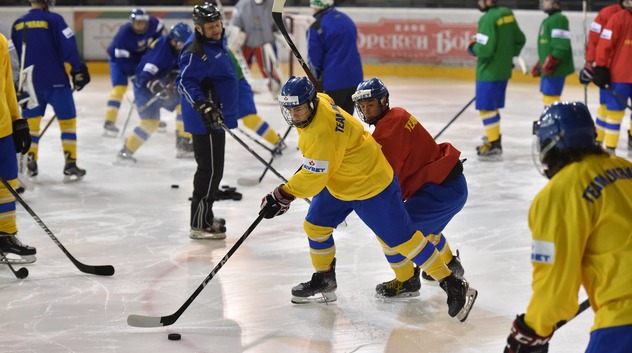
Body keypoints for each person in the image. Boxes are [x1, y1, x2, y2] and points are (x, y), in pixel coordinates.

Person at [260, 76, 477, 322]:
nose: (295, 116)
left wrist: (283, 195)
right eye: (290, 110)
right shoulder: (321, 100)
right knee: (315, 225)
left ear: (310, 104)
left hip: (371, 185)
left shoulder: (322, 134)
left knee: (402, 239)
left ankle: (451, 283)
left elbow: (313, 178)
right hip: (341, 179)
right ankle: (325, 279)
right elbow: (319, 164)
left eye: (298, 109)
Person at [503, 101, 632, 353]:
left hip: (623, 323)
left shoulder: (560, 192)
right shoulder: (626, 169)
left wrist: (532, 329)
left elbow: (556, 289)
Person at [351, 78, 467, 298]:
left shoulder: (386, 132)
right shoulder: (398, 114)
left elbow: (382, 179)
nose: (365, 110)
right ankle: (451, 263)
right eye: (362, 106)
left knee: (392, 233)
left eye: (370, 105)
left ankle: (406, 281)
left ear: (383, 101)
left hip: (441, 191)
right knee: (424, 228)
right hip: (447, 186)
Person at [176, 3, 239, 240]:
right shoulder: (196, 51)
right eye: (210, 26)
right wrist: (203, 104)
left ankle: (206, 214)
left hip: (216, 118)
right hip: (206, 122)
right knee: (209, 171)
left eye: (218, 24)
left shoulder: (215, 43)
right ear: (199, 28)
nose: (216, 29)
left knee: (215, 170)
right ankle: (199, 223)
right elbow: (184, 82)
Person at [11, 0, 91, 183]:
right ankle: (70, 163)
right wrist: (78, 69)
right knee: (68, 121)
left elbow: (13, 56)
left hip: (28, 83)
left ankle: (30, 162)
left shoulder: (18, 23)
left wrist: (16, 83)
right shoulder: (54, 20)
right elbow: (68, 45)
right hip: (56, 81)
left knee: (31, 125)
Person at [116, 22, 194, 165]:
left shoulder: (175, 47)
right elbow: (142, 78)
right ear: (174, 40)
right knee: (150, 123)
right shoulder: (160, 54)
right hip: (144, 90)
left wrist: (173, 78)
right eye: (183, 43)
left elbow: (175, 66)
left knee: (185, 104)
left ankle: (183, 143)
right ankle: (125, 152)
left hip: (163, 83)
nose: (186, 46)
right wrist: (157, 86)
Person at [467, 0, 525, 161]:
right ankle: (493, 138)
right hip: (503, 70)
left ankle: (494, 144)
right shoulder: (507, 14)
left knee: (486, 108)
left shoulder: (487, 19)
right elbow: (520, 39)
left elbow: (485, 49)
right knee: (491, 107)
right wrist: (506, 57)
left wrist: (472, 47)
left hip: (489, 72)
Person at [0, 33, 37, 264]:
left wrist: (17, 120)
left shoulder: (0, 41)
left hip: (2, 127)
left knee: (8, 183)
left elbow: (6, 86)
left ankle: (5, 235)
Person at [103, 8, 164, 137]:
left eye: (143, 22)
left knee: (149, 87)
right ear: (132, 22)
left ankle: (152, 116)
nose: (140, 25)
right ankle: (109, 121)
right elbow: (123, 61)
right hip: (119, 60)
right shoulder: (124, 35)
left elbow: (160, 35)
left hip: (139, 59)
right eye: (137, 22)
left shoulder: (154, 24)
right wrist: (134, 75)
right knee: (119, 88)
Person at [579, 0, 626, 150]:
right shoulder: (607, 14)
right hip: (609, 71)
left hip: (620, 70)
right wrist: (591, 63)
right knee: (607, 108)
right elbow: (594, 39)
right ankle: (598, 142)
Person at [306, 0, 363, 115]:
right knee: (347, 122)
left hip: (333, 84)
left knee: (332, 124)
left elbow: (314, 61)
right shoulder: (346, 19)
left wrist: (315, 82)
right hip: (355, 81)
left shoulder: (317, 27)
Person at [592, 0, 632, 155]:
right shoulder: (618, 18)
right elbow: (604, 44)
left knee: (614, 113)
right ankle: (609, 149)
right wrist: (601, 66)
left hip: (620, 77)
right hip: (619, 76)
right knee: (614, 113)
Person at [228, 0, 284, 96]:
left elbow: (279, 24)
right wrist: (234, 41)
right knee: (238, 69)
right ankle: (235, 89)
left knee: (271, 70)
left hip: (266, 42)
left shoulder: (275, 4)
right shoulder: (241, 5)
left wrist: (283, 39)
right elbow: (235, 25)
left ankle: (277, 90)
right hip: (246, 42)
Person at [531, 0, 574, 107]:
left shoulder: (559, 19)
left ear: (555, 2)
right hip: (550, 67)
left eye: (546, 0)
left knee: (551, 96)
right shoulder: (549, 20)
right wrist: (541, 63)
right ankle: (552, 121)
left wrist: (552, 61)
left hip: (556, 68)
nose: (542, 2)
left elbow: (561, 45)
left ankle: (555, 122)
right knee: (548, 96)